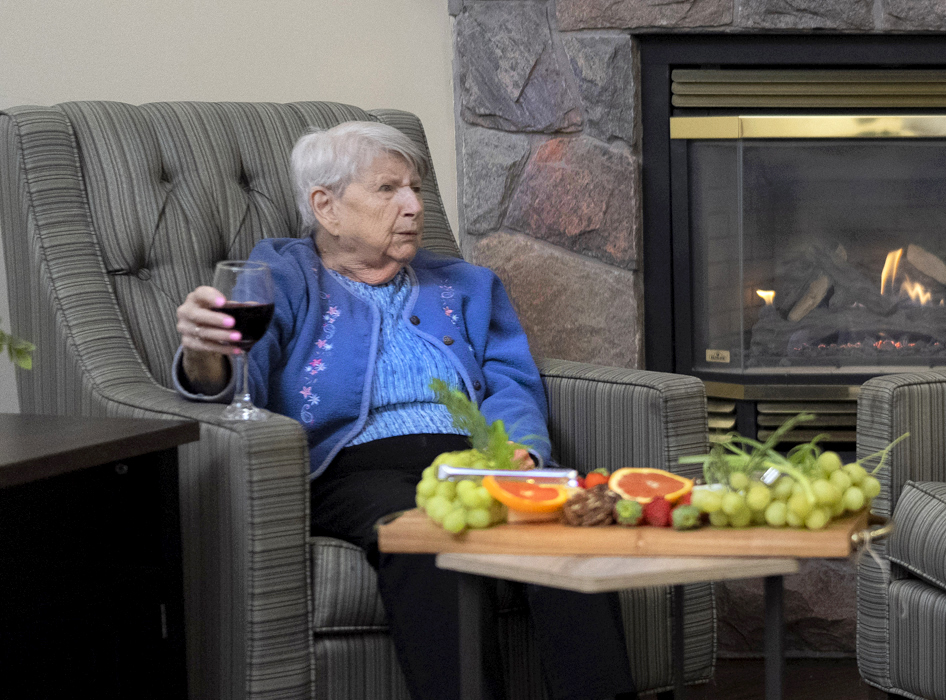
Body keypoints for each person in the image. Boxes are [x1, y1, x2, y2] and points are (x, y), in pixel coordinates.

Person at [172, 121, 634, 700]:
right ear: (327, 206)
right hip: (354, 468)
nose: (414, 205)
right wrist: (203, 351)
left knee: (570, 527)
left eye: (414, 187)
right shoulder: (284, 274)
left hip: (476, 461)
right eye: (389, 189)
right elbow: (243, 379)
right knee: (427, 538)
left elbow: (511, 381)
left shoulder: (467, 284)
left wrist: (523, 447)